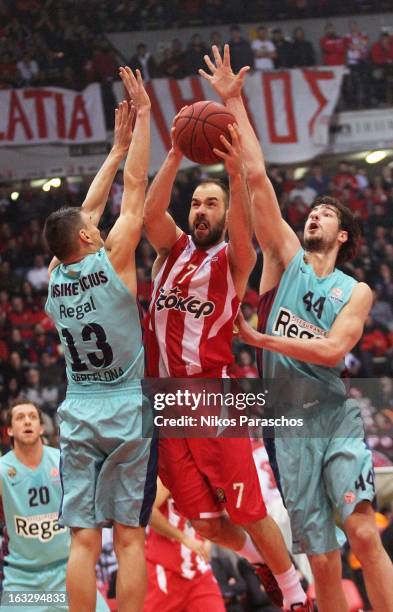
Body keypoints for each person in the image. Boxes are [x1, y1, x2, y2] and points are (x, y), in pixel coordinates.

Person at [200, 44, 393, 612]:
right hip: (285, 428)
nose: (314, 214)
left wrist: (261, 339)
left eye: (327, 214)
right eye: (313, 210)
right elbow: (257, 178)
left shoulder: (356, 291)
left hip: (332, 416)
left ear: (343, 237)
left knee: (362, 532)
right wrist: (234, 101)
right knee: (324, 558)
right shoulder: (283, 257)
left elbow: (333, 349)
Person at [143, 103, 308, 610]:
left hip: (209, 397)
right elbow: (150, 214)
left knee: (249, 508)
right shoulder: (169, 251)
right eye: (196, 203)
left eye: (210, 204)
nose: (201, 211)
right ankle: (260, 558)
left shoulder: (233, 262)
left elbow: (245, 235)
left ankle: (295, 593)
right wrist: (171, 153)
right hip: (162, 406)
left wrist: (234, 177)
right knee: (204, 519)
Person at [43, 68, 155, 612]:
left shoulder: (54, 277)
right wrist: (144, 122)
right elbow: (135, 192)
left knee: (83, 540)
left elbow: (81, 219)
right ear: (88, 236)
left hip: (79, 407)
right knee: (130, 537)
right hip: (127, 406)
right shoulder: (115, 264)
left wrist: (114, 148)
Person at [0, 399, 108, 611]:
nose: (27, 422)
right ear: (10, 430)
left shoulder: (63, 461)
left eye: (32, 417)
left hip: (67, 573)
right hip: (23, 581)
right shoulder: (3, 470)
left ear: (41, 428)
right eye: (20, 418)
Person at [144, 477, 225, 611]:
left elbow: (221, 506)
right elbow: (147, 511)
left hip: (198, 571)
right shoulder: (169, 474)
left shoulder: (211, 476)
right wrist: (183, 538)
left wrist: (209, 539)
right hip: (164, 568)